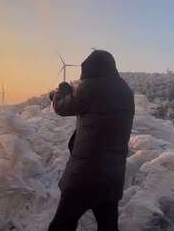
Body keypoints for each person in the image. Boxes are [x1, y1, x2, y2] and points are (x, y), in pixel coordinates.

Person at [48, 50, 135, 231]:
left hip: (85, 176)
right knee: (108, 226)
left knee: (61, 225)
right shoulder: (126, 91)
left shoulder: (90, 88)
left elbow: (61, 108)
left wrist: (61, 91)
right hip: (112, 175)